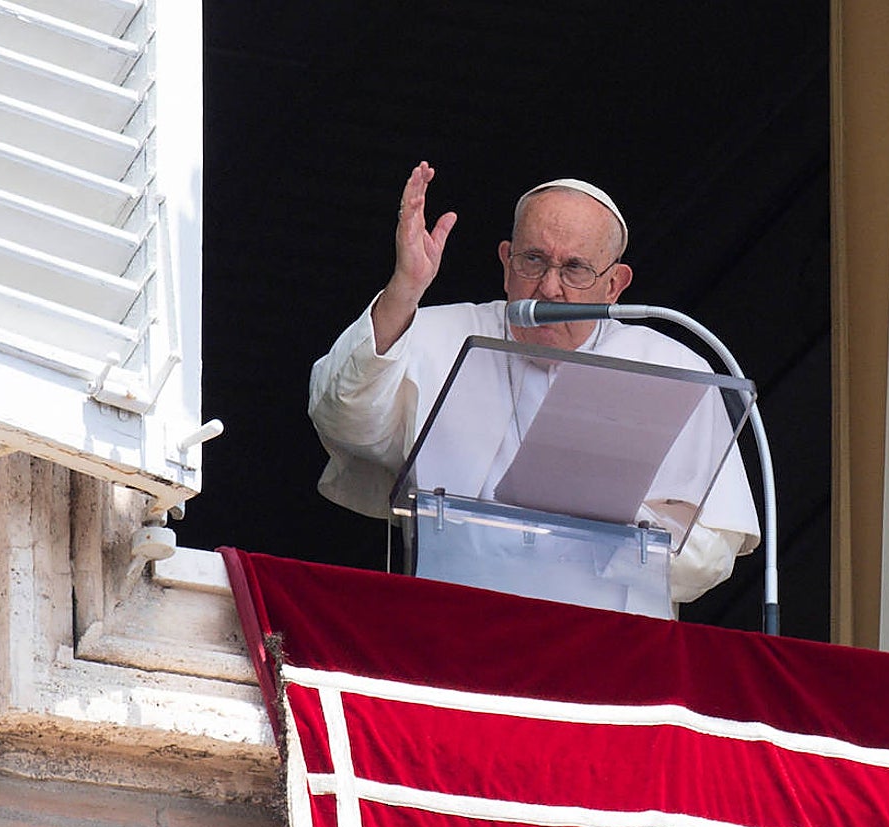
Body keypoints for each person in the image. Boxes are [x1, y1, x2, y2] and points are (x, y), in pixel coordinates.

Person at [309, 161, 759, 603]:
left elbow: (711, 555)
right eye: (533, 261)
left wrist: (601, 530)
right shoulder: (437, 333)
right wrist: (405, 288)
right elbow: (342, 416)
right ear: (506, 261)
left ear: (614, 285)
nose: (548, 288)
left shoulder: (671, 367)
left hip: (606, 649)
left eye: (575, 269)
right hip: (452, 626)